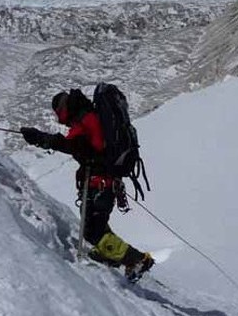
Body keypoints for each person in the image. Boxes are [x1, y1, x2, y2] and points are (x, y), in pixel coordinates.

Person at [20, 88, 154, 281]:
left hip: (100, 182)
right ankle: (107, 252)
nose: (59, 117)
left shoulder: (83, 119)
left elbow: (76, 146)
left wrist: (42, 139)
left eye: (58, 112)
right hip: (105, 181)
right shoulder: (90, 115)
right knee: (96, 223)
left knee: (92, 230)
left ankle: (136, 259)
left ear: (62, 109)